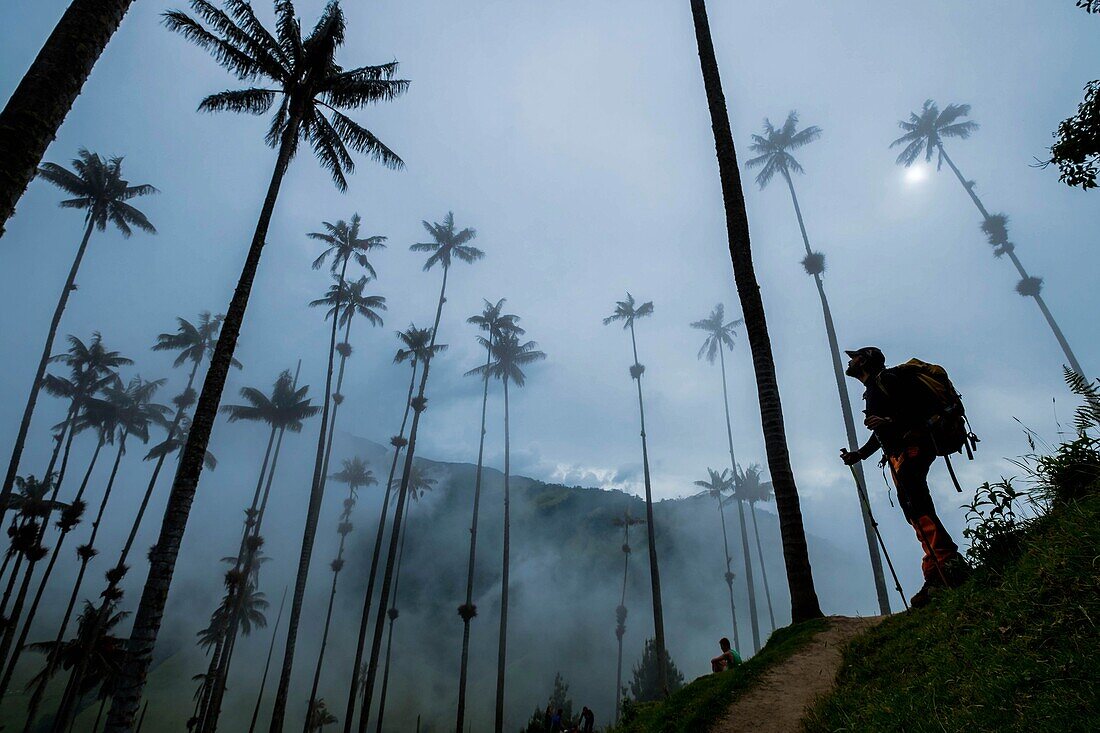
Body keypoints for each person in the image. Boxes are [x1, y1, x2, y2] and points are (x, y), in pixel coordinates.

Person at [840, 346, 969, 608]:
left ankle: (945, 563)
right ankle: (936, 566)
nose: (850, 362)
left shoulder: (886, 380)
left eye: (854, 357)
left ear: (864, 361)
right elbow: (882, 429)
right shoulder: (875, 387)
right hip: (901, 452)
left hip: (913, 447)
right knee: (912, 506)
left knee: (916, 503)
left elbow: (912, 413)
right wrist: (860, 454)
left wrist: (887, 422)